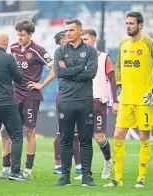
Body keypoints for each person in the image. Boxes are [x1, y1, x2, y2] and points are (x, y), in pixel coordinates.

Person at [104, 12, 153, 188]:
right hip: (126, 101)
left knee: (144, 138)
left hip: (144, 101)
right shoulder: (123, 45)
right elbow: (119, 69)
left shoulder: (152, 44)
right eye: (126, 23)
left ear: (140, 25)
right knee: (117, 136)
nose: (128, 26)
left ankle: (141, 178)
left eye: (131, 23)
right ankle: (117, 179)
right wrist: (119, 91)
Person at [0, 20, 54, 180]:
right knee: (5, 130)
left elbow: (55, 68)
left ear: (30, 34)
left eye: (22, 34)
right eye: (18, 34)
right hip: (13, 95)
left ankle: (28, 170)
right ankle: (6, 168)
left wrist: (41, 84)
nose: (19, 37)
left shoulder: (39, 51)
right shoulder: (13, 48)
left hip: (30, 96)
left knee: (29, 131)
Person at [53, 18, 98, 186]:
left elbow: (91, 73)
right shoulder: (59, 51)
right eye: (66, 31)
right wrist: (80, 68)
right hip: (66, 100)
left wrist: (69, 71)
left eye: (71, 30)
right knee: (65, 139)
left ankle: (87, 176)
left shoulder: (91, 51)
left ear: (80, 31)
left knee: (86, 140)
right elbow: (59, 72)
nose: (68, 33)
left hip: (85, 101)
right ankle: (65, 176)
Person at [73, 29, 118, 180]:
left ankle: (108, 161)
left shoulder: (104, 57)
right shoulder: (79, 58)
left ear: (93, 40)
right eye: (82, 39)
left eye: (85, 39)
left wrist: (115, 101)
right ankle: (87, 171)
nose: (83, 42)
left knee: (99, 138)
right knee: (84, 138)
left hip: (99, 102)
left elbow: (112, 80)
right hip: (82, 102)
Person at [0, 31, 24, 181]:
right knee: (17, 136)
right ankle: (15, 172)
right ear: (6, 42)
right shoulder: (8, 57)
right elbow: (18, 78)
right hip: (7, 102)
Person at [53, 30, 81, 175]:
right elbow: (64, 73)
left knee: (76, 133)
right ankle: (57, 164)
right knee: (62, 132)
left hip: (76, 95)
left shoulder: (74, 54)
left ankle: (79, 166)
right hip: (64, 95)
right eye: (64, 41)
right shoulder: (59, 56)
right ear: (60, 43)